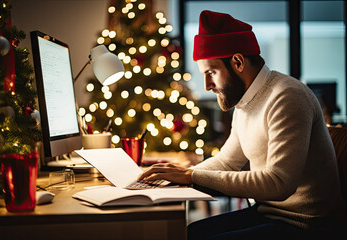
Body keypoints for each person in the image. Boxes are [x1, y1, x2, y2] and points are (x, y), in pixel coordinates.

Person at [138, 10, 345, 239]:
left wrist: (191, 176)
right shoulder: (245, 102)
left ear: (237, 62)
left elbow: (278, 183)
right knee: (190, 232)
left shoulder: (287, 97)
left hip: (308, 225)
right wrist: (177, 175)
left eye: (211, 73)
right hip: (271, 214)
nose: (207, 85)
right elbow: (227, 161)